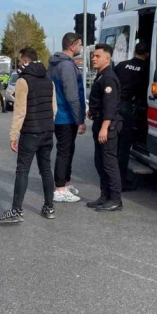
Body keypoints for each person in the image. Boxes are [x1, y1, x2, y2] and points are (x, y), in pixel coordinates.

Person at [0, 47, 58, 223]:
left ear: (25, 61)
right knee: (46, 169)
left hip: (30, 132)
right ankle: (49, 207)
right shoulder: (49, 80)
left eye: (19, 61)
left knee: (23, 170)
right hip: (47, 131)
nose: (19, 64)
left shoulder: (23, 81)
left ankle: (16, 211)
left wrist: (13, 135)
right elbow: (54, 108)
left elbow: (20, 112)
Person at [49, 33, 87, 203]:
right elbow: (72, 95)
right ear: (72, 46)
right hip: (65, 116)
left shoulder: (56, 64)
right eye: (79, 44)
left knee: (68, 150)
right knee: (65, 151)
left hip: (60, 115)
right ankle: (59, 189)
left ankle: (65, 183)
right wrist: (79, 119)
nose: (81, 47)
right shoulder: (66, 66)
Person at [86, 44, 123, 212]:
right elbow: (100, 101)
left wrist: (105, 128)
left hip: (108, 127)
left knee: (109, 164)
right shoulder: (100, 76)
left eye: (97, 56)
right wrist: (92, 110)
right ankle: (104, 196)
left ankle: (115, 200)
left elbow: (110, 105)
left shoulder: (108, 78)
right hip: (99, 123)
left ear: (107, 59)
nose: (93, 58)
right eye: (93, 56)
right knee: (100, 162)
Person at [114, 42, 150, 191]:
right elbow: (145, 92)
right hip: (129, 108)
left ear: (134, 51)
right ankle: (121, 181)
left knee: (114, 146)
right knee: (124, 148)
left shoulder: (121, 65)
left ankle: (111, 178)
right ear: (147, 55)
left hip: (115, 107)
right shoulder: (146, 69)